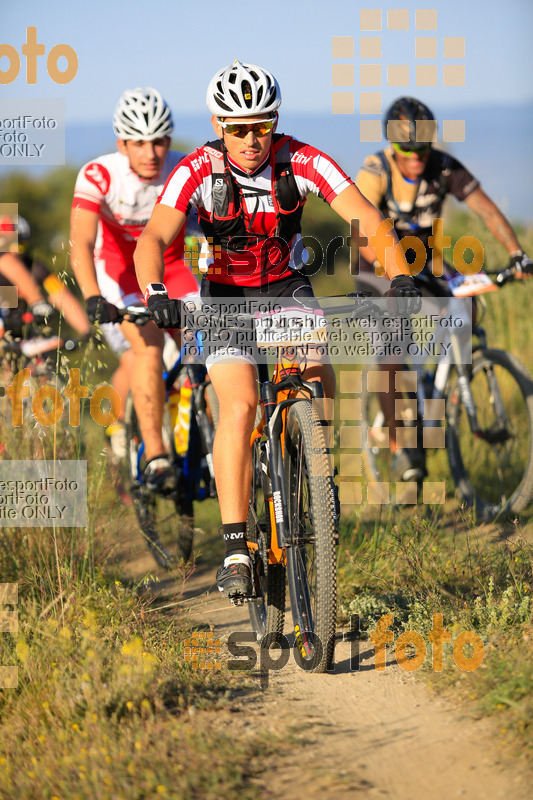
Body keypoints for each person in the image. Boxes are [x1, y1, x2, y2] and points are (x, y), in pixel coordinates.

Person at [134, 61, 420, 599]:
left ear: (275, 121)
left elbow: (364, 214)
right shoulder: (196, 169)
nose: (249, 139)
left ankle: (316, 462)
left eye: (260, 126)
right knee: (240, 407)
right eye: (237, 127)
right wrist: (155, 292)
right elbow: (153, 237)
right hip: (221, 295)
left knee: (313, 371)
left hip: (286, 286)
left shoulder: (301, 159)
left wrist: (400, 274)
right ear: (219, 125)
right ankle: (237, 546)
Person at [355, 96, 533, 481]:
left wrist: (517, 253)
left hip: (425, 261)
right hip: (377, 263)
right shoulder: (375, 170)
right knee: (393, 343)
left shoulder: (443, 166)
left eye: (424, 147)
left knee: (467, 306)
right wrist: (391, 274)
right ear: (392, 145)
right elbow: (361, 230)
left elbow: (485, 207)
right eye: (407, 148)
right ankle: (401, 446)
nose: (417, 156)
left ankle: (445, 378)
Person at [70, 87, 199, 482]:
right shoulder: (99, 174)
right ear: (121, 143)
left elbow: (205, 233)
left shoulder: (185, 167)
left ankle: (209, 435)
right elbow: (82, 242)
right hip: (118, 273)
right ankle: (156, 456)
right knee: (147, 346)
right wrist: (92, 295)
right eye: (139, 142)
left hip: (172, 266)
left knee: (207, 347)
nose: (151, 153)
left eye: (159, 141)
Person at [0, 215, 91, 338]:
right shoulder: (4, 259)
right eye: (9, 243)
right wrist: (36, 302)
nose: (15, 251)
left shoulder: (36, 269)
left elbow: (62, 296)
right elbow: (7, 262)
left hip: (19, 336)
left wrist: (87, 333)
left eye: (20, 244)